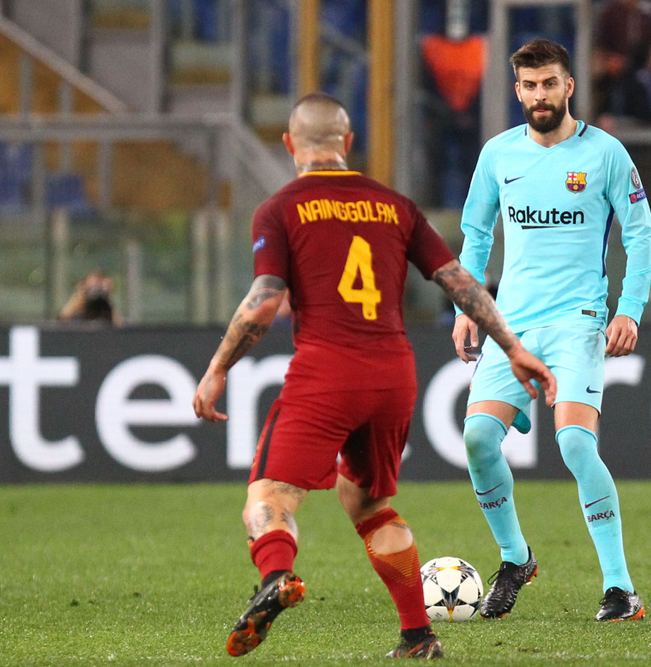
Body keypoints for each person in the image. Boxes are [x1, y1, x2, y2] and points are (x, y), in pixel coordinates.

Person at [192, 93, 556, 660]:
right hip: (394, 374)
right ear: (348, 143)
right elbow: (460, 281)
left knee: (270, 496)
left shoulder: (280, 208)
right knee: (369, 506)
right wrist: (511, 346)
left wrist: (218, 367)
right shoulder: (395, 206)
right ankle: (418, 635)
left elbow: (265, 301)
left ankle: (277, 577)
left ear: (290, 145)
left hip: (326, 370)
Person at [452, 39, 651, 622]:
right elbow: (476, 235)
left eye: (549, 84)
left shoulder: (606, 153)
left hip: (577, 322)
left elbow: (640, 234)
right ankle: (516, 559)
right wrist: (467, 307)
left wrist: (629, 309)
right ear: (517, 90)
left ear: (568, 86)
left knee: (574, 443)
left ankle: (620, 589)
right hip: (510, 325)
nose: (539, 95)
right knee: (477, 439)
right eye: (529, 85)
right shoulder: (497, 154)